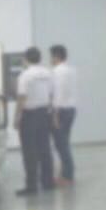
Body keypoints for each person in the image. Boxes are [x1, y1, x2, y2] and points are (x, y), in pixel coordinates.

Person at [14, 47, 55, 195]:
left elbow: (21, 98)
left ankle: (31, 186)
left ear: (26, 59)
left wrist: (17, 117)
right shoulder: (47, 73)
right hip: (44, 113)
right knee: (45, 149)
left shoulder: (24, 76)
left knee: (29, 151)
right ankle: (48, 182)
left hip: (29, 115)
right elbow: (51, 94)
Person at [50, 44, 78, 186]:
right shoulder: (71, 70)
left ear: (56, 56)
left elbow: (58, 93)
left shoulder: (57, 71)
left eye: (51, 56)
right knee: (64, 142)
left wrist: (55, 114)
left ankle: (68, 176)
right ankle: (64, 173)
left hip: (61, 111)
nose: (50, 59)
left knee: (61, 145)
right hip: (71, 109)